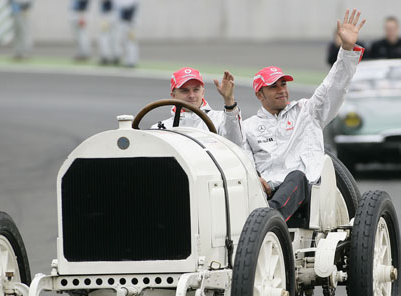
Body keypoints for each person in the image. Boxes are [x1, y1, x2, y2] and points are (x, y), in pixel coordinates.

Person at [243, 9, 366, 222]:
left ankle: (269, 222)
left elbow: (334, 86)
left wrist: (346, 50)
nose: (282, 89)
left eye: (284, 84)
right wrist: (254, 179)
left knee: (296, 177)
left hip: (306, 193)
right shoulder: (248, 127)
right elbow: (241, 161)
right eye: (273, 87)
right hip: (261, 193)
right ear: (259, 94)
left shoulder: (307, 111)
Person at [153, 67, 244, 148]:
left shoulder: (222, 119)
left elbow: (236, 146)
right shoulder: (160, 129)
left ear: (202, 92)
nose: (191, 95)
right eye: (185, 91)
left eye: (196, 90)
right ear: (173, 95)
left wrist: (229, 100)